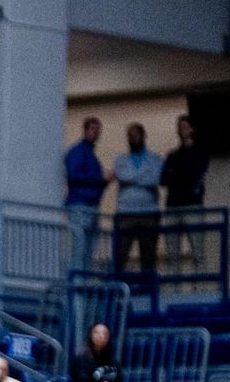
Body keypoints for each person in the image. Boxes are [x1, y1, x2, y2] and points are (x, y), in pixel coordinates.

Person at [161, 114, 210, 273]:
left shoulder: (201, 151)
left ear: (192, 129)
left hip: (193, 205)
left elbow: (193, 175)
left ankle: (201, 291)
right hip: (173, 206)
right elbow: (163, 179)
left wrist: (177, 173)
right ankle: (175, 293)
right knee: (172, 254)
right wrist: (180, 174)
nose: (182, 130)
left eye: (185, 126)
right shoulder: (172, 155)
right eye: (180, 127)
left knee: (198, 251)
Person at [113, 123, 164, 274]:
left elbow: (155, 179)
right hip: (125, 213)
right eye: (130, 135)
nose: (133, 138)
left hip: (149, 213)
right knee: (120, 254)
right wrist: (143, 177)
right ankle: (118, 291)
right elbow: (121, 176)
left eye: (136, 134)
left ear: (143, 136)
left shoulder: (156, 159)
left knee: (148, 256)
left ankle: (148, 291)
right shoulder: (120, 159)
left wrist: (132, 178)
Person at [65, 116, 110, 271]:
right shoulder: (78, 152)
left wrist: (104, 182)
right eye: (92, 129)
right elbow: (73, 175)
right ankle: (76, 282)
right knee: (79, 246)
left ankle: (83, 280)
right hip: (80, 204)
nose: (95, 133)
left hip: (91, 205)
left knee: (89, 248)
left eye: (98, 130)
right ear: (85, 130)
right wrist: (99, 179)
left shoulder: (91, 156)